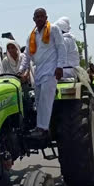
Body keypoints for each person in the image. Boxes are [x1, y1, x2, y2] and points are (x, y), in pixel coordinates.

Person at [18, 8, 67, 139]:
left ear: (46, 17)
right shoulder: (31, 35)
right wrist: (21, 70)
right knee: (38, 101)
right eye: (37, 16)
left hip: (51, 70)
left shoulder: (54, 29)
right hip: (39, 71)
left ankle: (43, 129)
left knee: (46, 99)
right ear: (33, 19)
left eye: (42, 16)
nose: (39, 19)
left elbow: (61, 47)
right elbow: (27, 55)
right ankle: (40, 127)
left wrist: (60, 66)